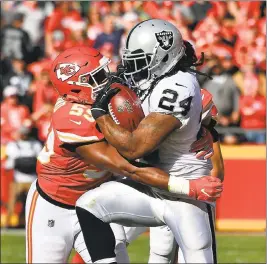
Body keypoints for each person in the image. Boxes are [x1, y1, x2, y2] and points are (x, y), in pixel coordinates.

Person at [25, 46, 218, 263]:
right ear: (76, 89)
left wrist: (202, 130)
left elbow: (192, 102)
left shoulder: (112, 96)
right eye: (97, 77)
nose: (106, 80)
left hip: (95, 201)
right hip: (54, 205)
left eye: (104, 72)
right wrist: (188, 187)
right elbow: (129, 167)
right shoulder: (72, 118)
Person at [76, 19, 223, 264]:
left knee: (191, 258)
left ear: (164, 57)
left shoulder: (179, 86)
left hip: (185, 194)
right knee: (90, 205)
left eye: (140, 62)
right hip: (149, 187)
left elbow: (135, 147)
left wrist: (100, 114)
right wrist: (203, 129)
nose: (132, 69)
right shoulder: (153, 81)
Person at [5, 126, 42, 228]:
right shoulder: (13, 145)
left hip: (33, 180)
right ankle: (7, 223)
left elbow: (8, 165)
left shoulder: (35, 144)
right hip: (18, 179)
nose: (24, 135)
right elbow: (9, 164)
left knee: (32, 204)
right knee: (12, 203)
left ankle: (28, 224)